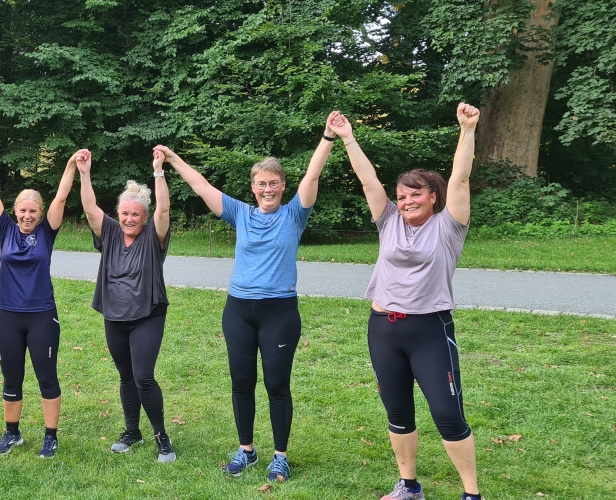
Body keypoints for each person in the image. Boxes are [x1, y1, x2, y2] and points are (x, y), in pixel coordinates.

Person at [155, 112, 339, 482]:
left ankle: (281, 456)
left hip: (279, 312)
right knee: (242, 381)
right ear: (252, 186)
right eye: (261, 184)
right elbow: (202, 186)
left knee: (276, 384)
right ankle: (246, 450)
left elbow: (312, 175)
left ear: (282, 185)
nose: (267, 189)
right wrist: (173, 160)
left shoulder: (294, 215)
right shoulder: (240, 213)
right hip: (238, 310)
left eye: (273, 183)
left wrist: (328, 137)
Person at [332, 103, 482, 500]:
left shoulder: (450, 226)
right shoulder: (389, 220)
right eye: (401, 195)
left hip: (429, 330)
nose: (407, 201)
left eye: (416, 194)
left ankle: (471, 495)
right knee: (398, 413)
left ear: (434, 196)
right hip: (383, 329)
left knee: (448, 416)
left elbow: (462, 180)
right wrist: (348, 137)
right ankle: (409, 486)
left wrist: (467, 131)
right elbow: (368, 181)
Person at [0, 139, 77, 458]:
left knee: (46, 377)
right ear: (15, 211)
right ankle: (12, 433)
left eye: (33, 211)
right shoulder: (5, 229)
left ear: (40, 213)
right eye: (23, 210)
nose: (28, 215)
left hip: (42, 315)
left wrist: (71, 165)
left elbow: (61, 196)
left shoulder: (47, 232)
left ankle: (50, 436)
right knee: (12, 377)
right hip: (7, 315)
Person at [77, 148, 175, 463]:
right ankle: (132, 431)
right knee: (126, 376)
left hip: (147, 314)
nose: (129, 219)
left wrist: (159, 171)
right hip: (114, 315)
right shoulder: (110, 233)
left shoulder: (153, 237)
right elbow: (90, 208)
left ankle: (162, 437)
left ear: (144, 218)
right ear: (118, 215)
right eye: (125, 213)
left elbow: (163, 210)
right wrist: (84, 173)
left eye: (135, 214)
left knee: (144, 376)